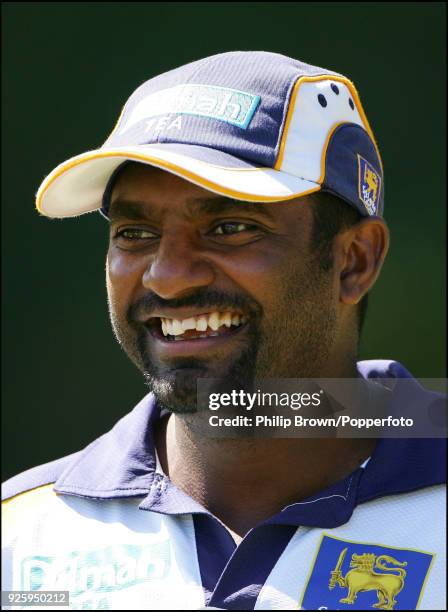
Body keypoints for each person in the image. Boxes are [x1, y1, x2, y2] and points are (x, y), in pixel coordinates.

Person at [2, 52, 445, 610]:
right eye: (134, 232)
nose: (167, 277)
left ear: (354, 261)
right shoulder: (20, 542)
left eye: (230, 227)